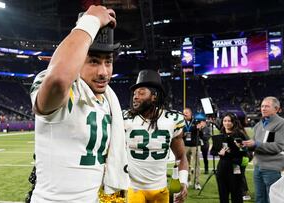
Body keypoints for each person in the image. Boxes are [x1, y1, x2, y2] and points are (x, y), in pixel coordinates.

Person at [29, 5, 128, 202]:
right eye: (93, 61)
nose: (103, 71)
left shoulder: (108, 98)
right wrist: (90, 21)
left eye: (108, 61)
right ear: (78, 60)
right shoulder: (65, 88)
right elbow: (58, 79)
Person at [124, 69, 189, 203]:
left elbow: (181, 156)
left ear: (154, 96)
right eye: (135, 93)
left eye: (141, 92)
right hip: (133, 188)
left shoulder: (172, 119)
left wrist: (183, 181)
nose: (135, 96)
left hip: (160, 189)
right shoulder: (125, 119)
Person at [243, 96, 284, 203]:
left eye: (267, 106)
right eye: (262, 106)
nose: (263, 108)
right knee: (260, 198)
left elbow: (278, 146)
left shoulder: (281, 124)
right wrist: (247, 145)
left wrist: (256, 144)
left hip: (272, 168)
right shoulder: (258, 125)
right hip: (258, 167)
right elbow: (255, 144)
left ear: (276, 109)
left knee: (273, 198)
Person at [214, 112, 251, 203]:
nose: (227, 123)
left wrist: (240, 148)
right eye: (225, 121)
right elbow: (213, 151)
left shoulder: (240, 134)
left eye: (229, 121)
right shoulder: (221, 134)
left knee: (237, 195)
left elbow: (248, 151)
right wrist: (219, 152)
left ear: (234, 122)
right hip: (222, 167)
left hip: (236, 166)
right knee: (223, 196)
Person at [182, 107, 204, 190]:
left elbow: (201, 135)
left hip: (195, 145)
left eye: (186, 112)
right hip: (185, 145)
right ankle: (187, 180)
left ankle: (197, 182)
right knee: (186, 164)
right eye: (184, 113)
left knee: (196, 164)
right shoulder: (181, 122)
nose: (185, 114)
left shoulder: (196, 121)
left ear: (191, 113)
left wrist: (200, 129)